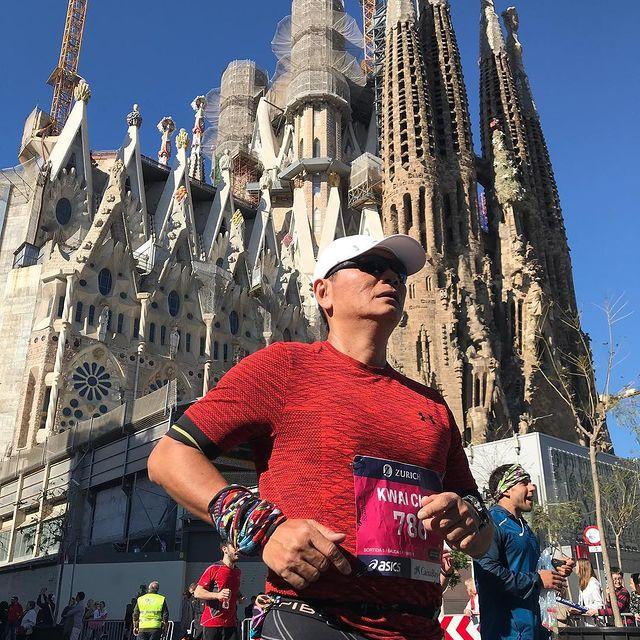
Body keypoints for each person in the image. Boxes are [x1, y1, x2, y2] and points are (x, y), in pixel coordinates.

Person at [149, 233, 494, 640]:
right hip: (310, 620)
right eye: (371, 266)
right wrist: (263, 529)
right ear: (323, 292)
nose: (390, 278)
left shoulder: (432, 405)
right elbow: (169, 457)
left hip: (419, 627)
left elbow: (480, 530)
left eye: (399, 274)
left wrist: (471, 519)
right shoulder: (285, 367)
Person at [474, 464, 574, 640]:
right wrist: (537, 580)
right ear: (506, 490)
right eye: (524, 482)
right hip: (506, 633)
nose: (532, 487)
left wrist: (554, 570)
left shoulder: (524, 527)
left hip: (534, 629)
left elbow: (526, 567)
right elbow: (488, 575)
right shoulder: (491, 523)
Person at [194, 542, 243, 640]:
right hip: (213, 622)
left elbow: (234, 589)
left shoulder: (237, 571)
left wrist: (239, 597)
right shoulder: (214, 568)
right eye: (234, 547)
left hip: (231, 622)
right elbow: (197, 592)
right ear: (225, 549)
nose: (238, 550)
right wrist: (217, 595)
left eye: (239, 547)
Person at [574, 559, 603, 626]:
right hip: (585, 622)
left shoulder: (593, 582)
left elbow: (599, 603)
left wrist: (582, 608)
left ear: (582, 567)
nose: (575, 567)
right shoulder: (583, 583)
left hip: (594, 623)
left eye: (576, 565)